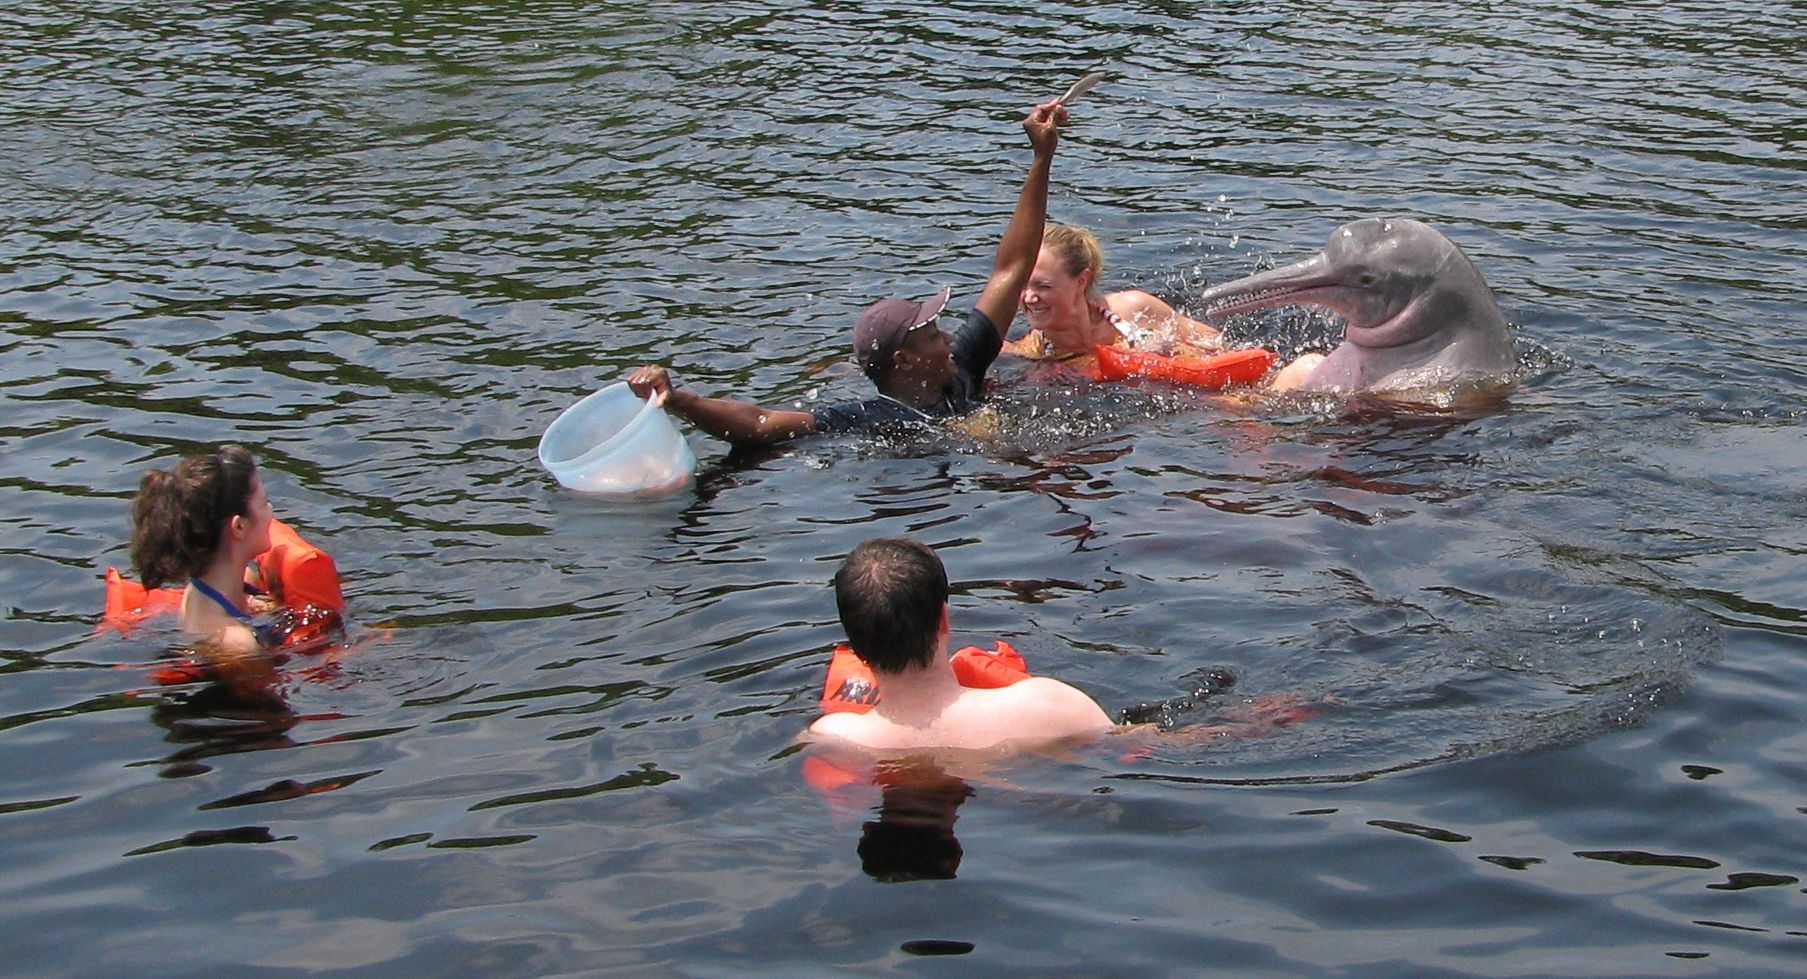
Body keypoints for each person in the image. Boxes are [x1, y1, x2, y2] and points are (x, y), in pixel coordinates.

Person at [625, 99, 1069, 448]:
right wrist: (678, 400)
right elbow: (760, 423)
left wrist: (1041, 159)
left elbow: (1011, 268)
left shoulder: (962, 366)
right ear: (904, 361)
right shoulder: (873, 420)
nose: (951, 338)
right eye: (933, 334)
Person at [807, 537, 1114, 751]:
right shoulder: (1050, 707)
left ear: (854, 645)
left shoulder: (832, 738)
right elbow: (1130, 745)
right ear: (944, 619)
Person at [128, 445, 284, 701]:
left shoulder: (240, 583)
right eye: (264, 503)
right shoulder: (236, 644)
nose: (270, 512)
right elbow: (275, 715)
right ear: (239, 526)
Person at [1004, 222, 1222, 366]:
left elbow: (1214, 341)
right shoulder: (1032, 353)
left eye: (1043, 286)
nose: (1029, 298)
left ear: (1081, 281)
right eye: (1022, 285)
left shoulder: (1133, 309)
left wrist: (1173, 350)